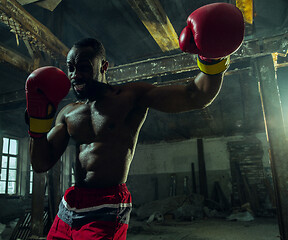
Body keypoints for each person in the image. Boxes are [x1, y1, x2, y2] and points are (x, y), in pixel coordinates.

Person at [25, 3, 244, 240]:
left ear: (104, 66)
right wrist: (37, 123)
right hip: (70, 204)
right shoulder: (68, 112)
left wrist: (213, 60)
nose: (75, 74)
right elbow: (41, 163)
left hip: (107, 207)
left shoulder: (130, 97)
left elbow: (195, 96)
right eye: (70, 68)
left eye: (84, 67)